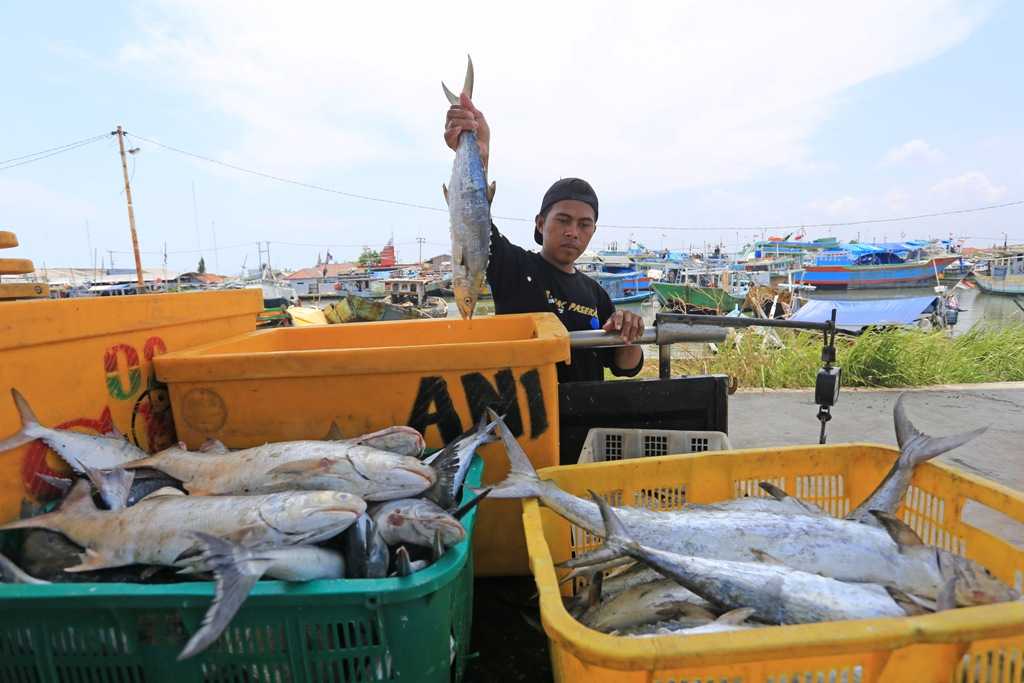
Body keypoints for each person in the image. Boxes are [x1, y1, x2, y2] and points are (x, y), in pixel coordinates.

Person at [444, 93, 645, 383]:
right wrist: (479, 152)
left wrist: (631, 331)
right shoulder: (512, 266)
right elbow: (474, 223)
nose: (573, 232)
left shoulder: (596, 294)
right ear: (540, 224)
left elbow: (624, 366)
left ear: (593, 232)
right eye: (563, 220)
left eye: (584, 224)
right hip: (524, 422)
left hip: (584, 421)